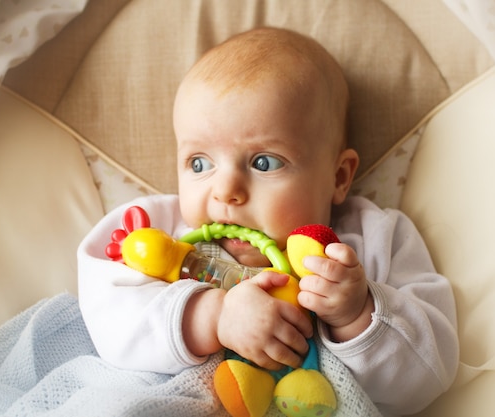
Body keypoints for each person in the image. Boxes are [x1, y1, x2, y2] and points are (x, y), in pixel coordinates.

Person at [78, 27, 459, 416]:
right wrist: (212, 316)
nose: (225, 190)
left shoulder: (372, 239)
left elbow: (434, 372)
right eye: (199, 163)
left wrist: (358, 314)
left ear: (339, 176)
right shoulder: (158, 229)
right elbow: (104, 313)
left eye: (264, 162)